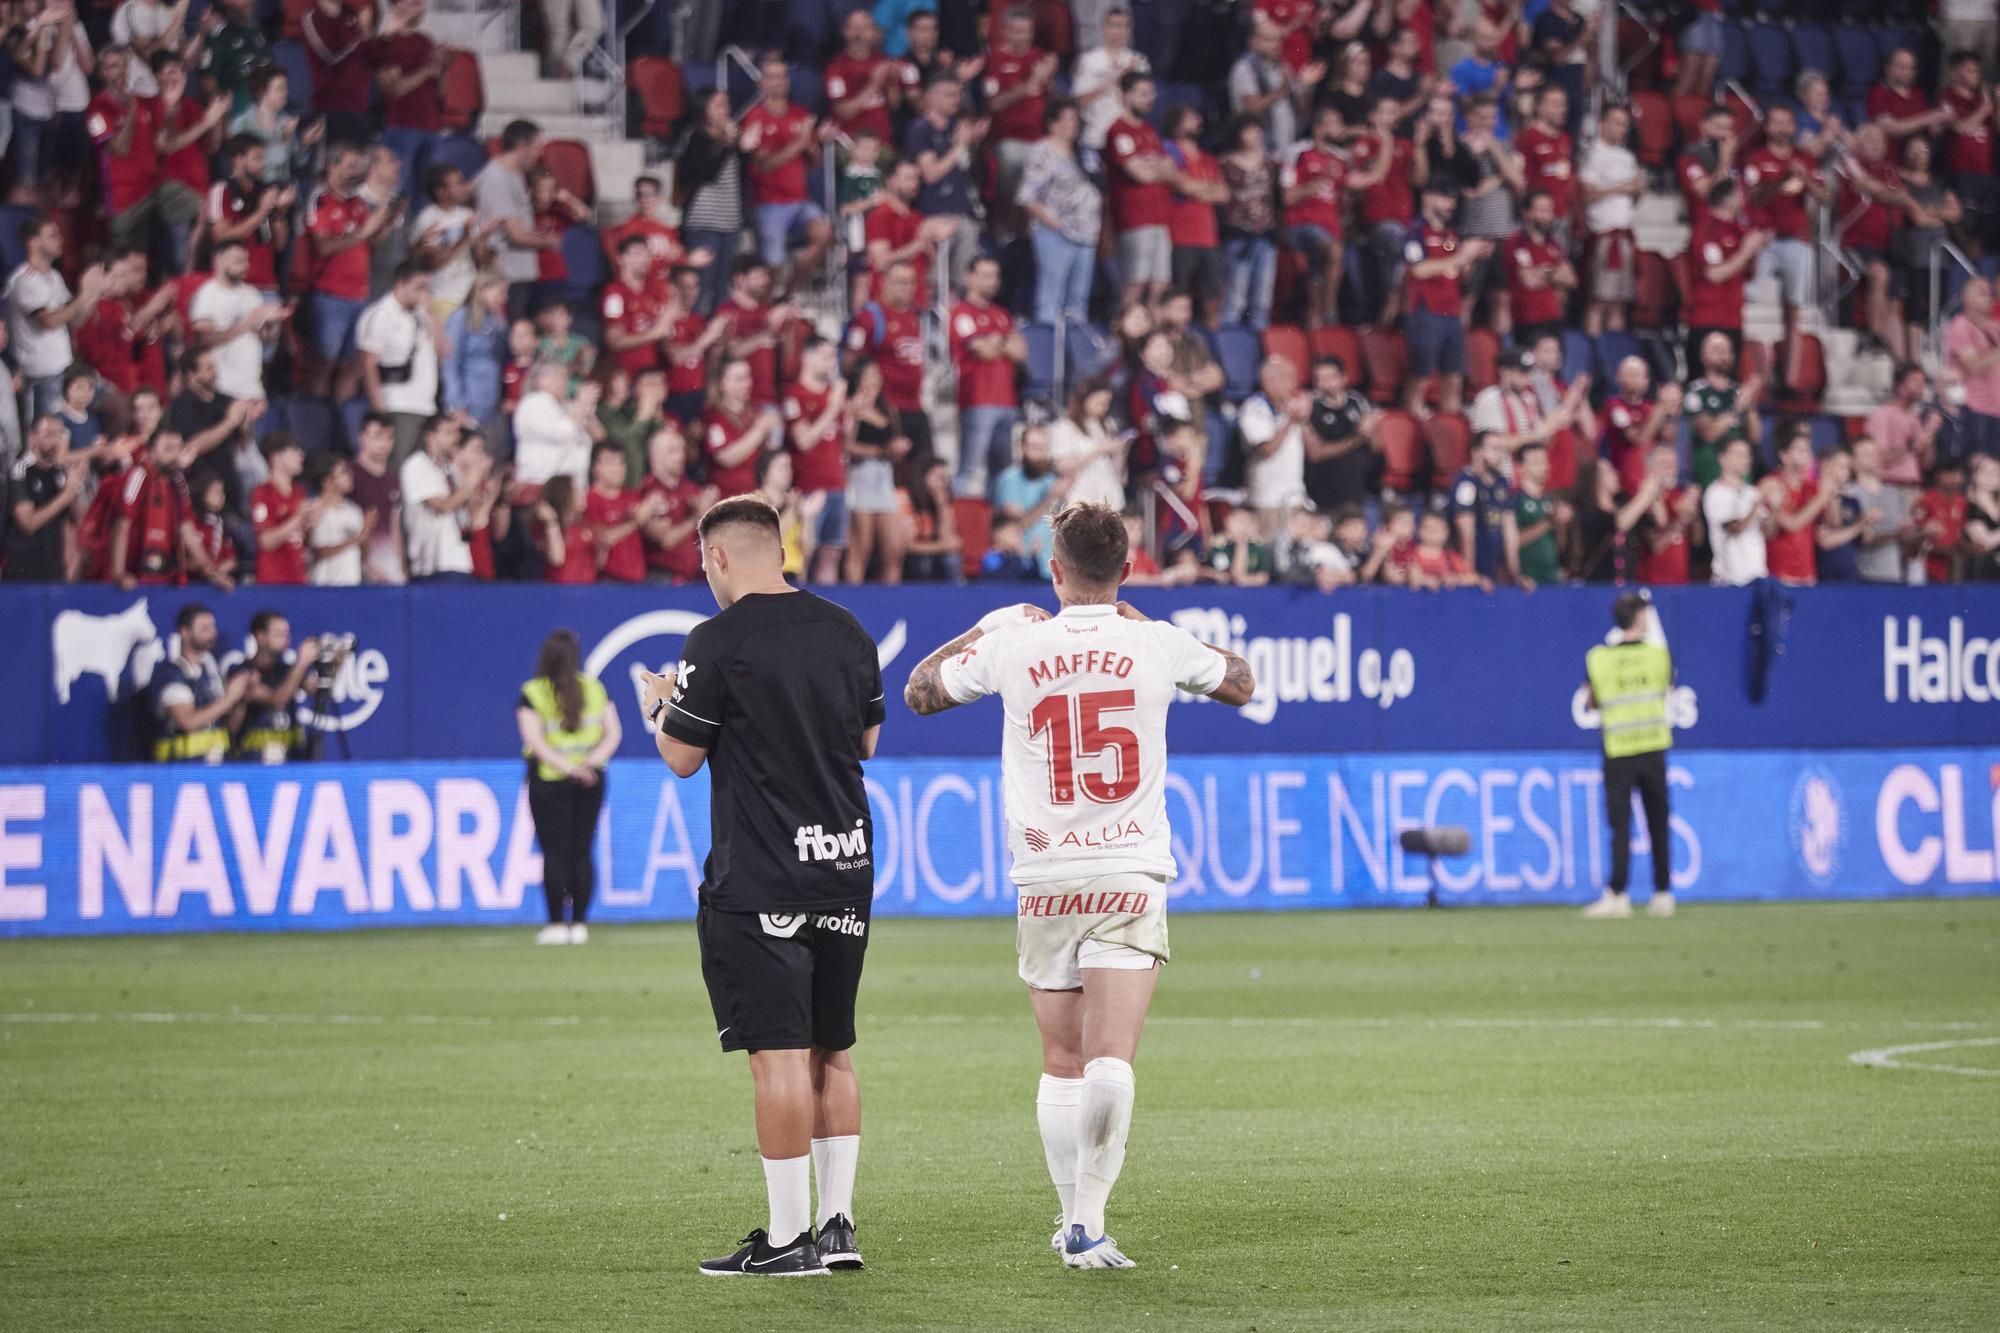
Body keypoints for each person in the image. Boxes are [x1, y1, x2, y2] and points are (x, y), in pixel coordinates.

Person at [902, 502, 1254, 1269]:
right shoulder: (1153, 641)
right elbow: (1241, 681)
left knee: (1062, 1057)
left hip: (1045, 876)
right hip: (1129, 869)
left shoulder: (1016, 643)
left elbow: (919, 692)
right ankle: (1088, 1222)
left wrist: (982, 627)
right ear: (1127, 569)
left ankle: (1073, 1221)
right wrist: (1146, 620)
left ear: (1054, 570)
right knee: (1111, 1057)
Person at [634, 496, 886, 1277]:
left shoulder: (716, 639)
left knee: (776, 1056)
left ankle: (786, 1239)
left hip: (763, 876)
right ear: (778, 547)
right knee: (832, 1049)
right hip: (844, 864)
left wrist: (656, 702)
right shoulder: (847, 629)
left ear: (717, 558)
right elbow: (867, 739)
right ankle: (837, 1225)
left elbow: (681, 756)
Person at [517, 628, 621, 945]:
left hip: (550, 780)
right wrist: (587, 766)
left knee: (554, 853)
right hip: (591, 781)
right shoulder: (595, 688)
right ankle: (579, 924)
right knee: (581, 851)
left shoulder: (533, 692)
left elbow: (533, 739)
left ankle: (556, 924)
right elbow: (613, 733)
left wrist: (567, 768)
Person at [1581, 590, 1676, 919]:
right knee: (1658, 823)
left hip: (1619, 750)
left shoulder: (1598, 658)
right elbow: (1668, 690)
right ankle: (1662, 893)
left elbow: (1591, 702)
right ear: (1638, 617)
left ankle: (1618, 894)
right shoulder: (1658, 655)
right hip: (1652, 745)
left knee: (1620, 826)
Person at [1019, 99, 1101, 327]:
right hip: (1055, 232)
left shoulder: (1083, 153)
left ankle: (1074, 353)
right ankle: (1049, 350)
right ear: (1052, 124)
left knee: (1079, 296)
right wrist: (1049, 219)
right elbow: (1026, 195)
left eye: (1075, 120)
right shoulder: (1042, 152)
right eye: (1067, 120)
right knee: (1052, 293)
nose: (1072, 125)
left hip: (1086, 232)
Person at [949, 255, 1026, 496]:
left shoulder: (1002, 314)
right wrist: (1003, 341)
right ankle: (963, 522)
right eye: (984, 275)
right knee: (970, 468)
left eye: (994, 276)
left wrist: (996, 340)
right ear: (969, 278)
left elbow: (1021, 352)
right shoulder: (960, 312)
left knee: (1003, 473)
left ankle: (1000, 527)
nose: (991, 281)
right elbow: (980, 349)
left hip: (1007, 401)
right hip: (977, 401)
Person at [149, 601, 250, 762]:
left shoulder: (210, 672)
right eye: (204, 628)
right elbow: (188, 722)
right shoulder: (171, 675)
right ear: (184, 632)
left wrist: (240, 700)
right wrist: (229, 699)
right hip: (182, 770)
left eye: (212, 627)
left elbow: (228, 726)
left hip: (216, 766)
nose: (211, 633)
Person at [228, 609, 324, 763]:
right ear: (260, 637)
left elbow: (321, 693)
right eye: (279, 634)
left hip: (292, 761)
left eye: (287, 633)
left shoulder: (287, 670)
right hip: (254, 763)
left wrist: (336, 667)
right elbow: (277, 701)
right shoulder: (243, 673)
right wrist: (302, 663)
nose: (287, 639)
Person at [1579, 102, 1642, 336]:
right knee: (1600, 300)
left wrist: (1636, 190)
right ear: (1602, 124)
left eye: (1625, 124)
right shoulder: (1594, 154)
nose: (1621, 128)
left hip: (1625, 233)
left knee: (1619, 302)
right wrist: (1619, 188)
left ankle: (1615, 352)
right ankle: (1594, 349)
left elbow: (1632, 197)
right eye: (1616, 123)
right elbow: (1586, 195)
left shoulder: (1627, 156)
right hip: (1604, 234)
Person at [1703, 437, 1769, 586]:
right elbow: (1736, 528)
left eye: (1747, 455)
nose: (1746, 459)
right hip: (1729, 579)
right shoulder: (1715, 492)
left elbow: (1768, 531)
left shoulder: (1753, 492)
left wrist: (1776, 507)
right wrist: (1756, 504)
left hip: (1757, 575)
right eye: (1739, 455)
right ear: (1722, 458)